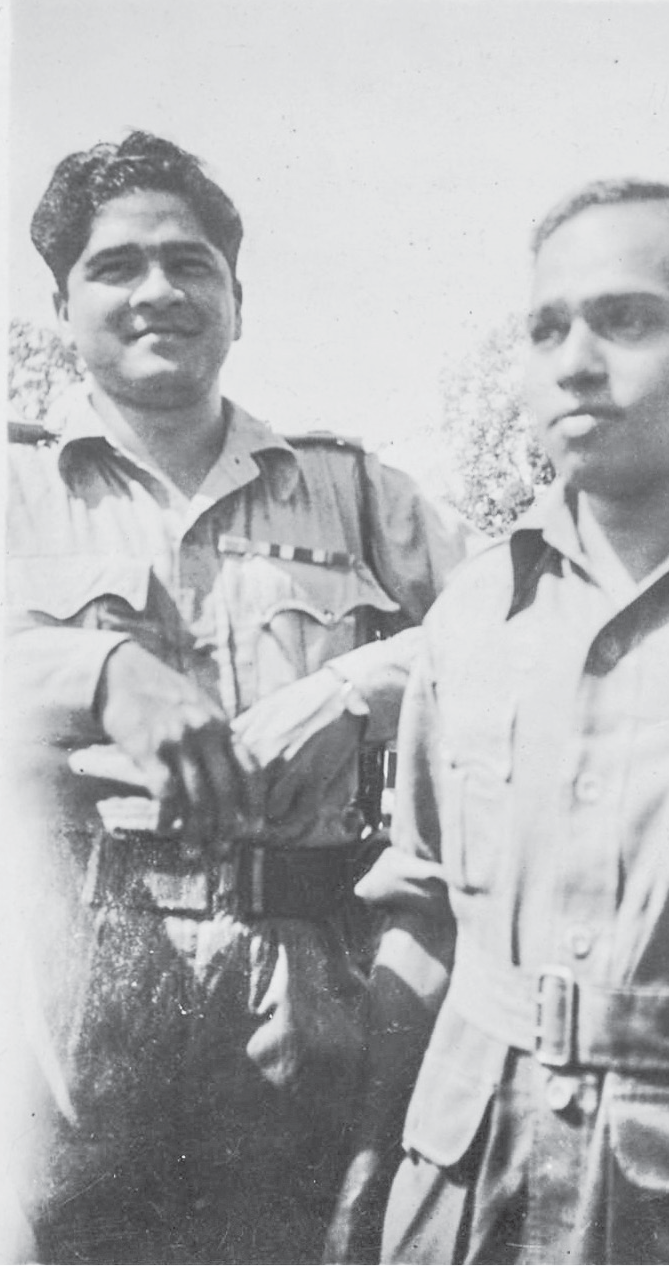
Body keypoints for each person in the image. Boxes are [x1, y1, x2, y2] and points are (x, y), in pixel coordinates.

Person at [3, 130, 477, 1265]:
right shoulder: (15, 493)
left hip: (311, 979)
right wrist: (99, 672)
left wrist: (352, 688)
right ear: (62, 308)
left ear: (236, 299)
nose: (159, 289)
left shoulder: (358, 493)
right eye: (115, 268)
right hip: (66, 992)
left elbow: (518, 631)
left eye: (189, 263)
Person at [325, 179, 669, 1265]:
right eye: (546, 328)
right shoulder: (470, 613)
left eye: (625, 318)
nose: (574, 361)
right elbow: (424, 912)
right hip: (462, 1206)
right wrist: (365, 1177)